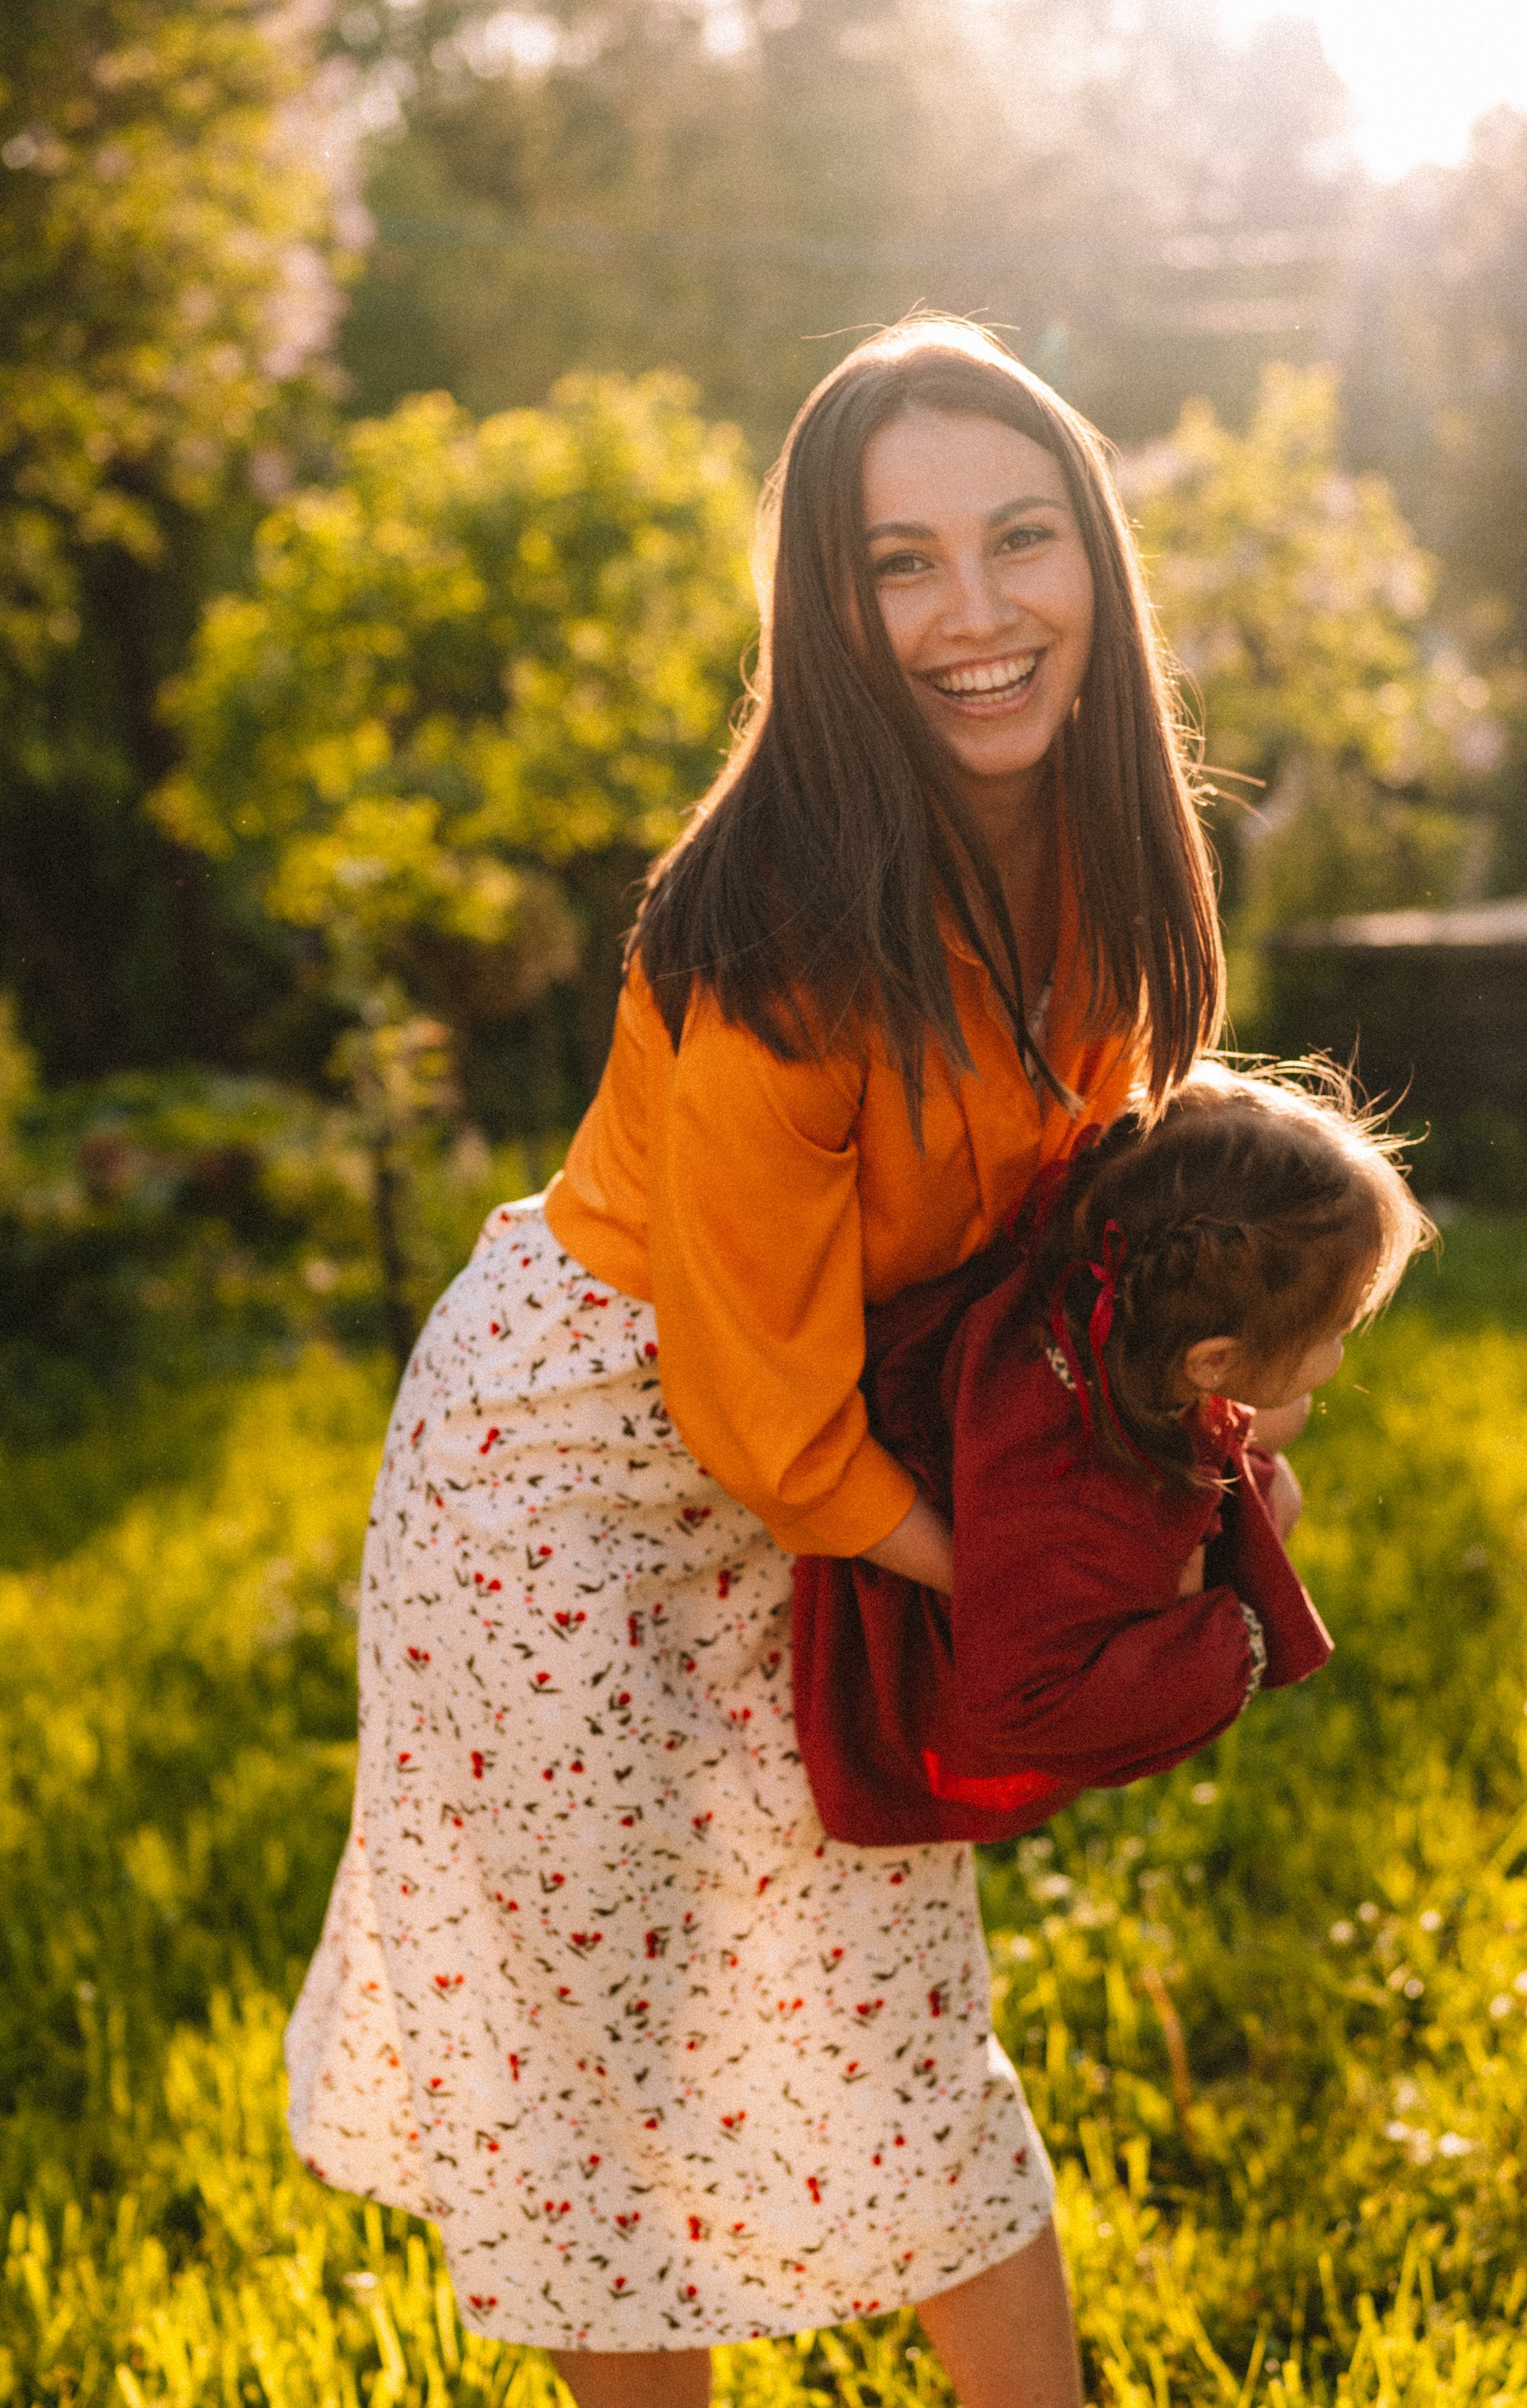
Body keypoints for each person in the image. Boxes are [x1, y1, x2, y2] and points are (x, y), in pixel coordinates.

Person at [284, 317, 1225, 2408]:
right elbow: (757, 1416)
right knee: (611, 2089)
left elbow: (1097, 1187)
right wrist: (1048, 1586)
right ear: (828, 601)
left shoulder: (1099, 862)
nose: (973, 616)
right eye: (900, 564)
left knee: (898, 2016)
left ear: (1097, 564)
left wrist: (1208, 1453)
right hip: (574, 1486)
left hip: (822, 1446)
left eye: (1020, 540)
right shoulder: (788, 938)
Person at [794, 1062, 1431, 1846]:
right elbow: (1019, 1700)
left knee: (1280, 1453)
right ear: (1210, 1364)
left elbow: (1278, 1413)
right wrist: (1226, 1644)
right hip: (902, 1683)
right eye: (1329, 1332)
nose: (1340, 1350)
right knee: (1279, 1473)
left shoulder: (1097, 1298)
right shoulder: (1067, 1502)